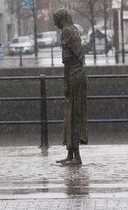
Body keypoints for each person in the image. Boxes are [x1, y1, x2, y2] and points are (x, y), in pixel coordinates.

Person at [53, 8, 87, 165]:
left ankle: (76, 157)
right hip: (77, 76)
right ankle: (71, 154)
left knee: (72, 115)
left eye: (56, 20)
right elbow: (78, 56)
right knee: (73, 115)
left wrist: (66, 82)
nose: (55, 23)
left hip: (73, 77)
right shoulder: (72, 30)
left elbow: (68, 61)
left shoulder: (67, 31)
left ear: (61, 19)